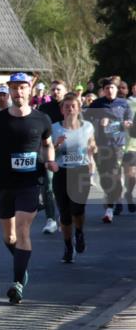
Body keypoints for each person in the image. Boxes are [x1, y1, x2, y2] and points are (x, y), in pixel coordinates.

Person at [0, 72, 56, 304]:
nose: (18, 92)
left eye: (22, 88)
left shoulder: (41, 119)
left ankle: (18, 282)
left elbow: (47, 145)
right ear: (9, 90)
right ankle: (22, 262)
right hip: (5, 185)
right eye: (14, 88)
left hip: (30, 184)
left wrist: (49, 161)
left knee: (22, 230)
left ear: (29, 90)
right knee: (9, 236)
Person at [50, 93, 96, 262]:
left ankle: (79, 232)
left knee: (78, 210)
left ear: (78, 109)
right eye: (66, 106)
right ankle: (68, 246)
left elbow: (92, 146)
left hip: (80, 171)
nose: (70, 109)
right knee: (64, 214)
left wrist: (93, 148)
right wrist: (56, 145)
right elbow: (48, 152)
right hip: (62, 173)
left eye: (73, 106)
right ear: (62, 110)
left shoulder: (88, 127)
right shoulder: (54, 128)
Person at [89, 76, 134, 223]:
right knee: (104, 176)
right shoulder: (96, 104)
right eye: (107, 88)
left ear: (116, 89)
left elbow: (129, 120)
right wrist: (98, 122)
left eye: (112, 88)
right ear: (103, 90)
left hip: (117, 145)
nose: (109, 90)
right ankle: (116, 199)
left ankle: (109, 208)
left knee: (114, 173)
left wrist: (126, 123)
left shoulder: (123, 104)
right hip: (100, 145)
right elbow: (86, 121)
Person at [37, 80, 68, 234]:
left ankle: (64, 217)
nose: (55, 92)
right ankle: (50, 219)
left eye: (59, 89)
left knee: (64, 188)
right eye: (53, 89)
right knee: (48, 185)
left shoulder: (71, 106)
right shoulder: (44, 108)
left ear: (65, 90)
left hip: (68, 152)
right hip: (49, 150)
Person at [121, 80, 136, 212]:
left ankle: (129, 193)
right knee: (128, 174)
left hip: (132, 144)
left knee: (132, 174)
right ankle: (124, 196)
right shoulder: (127, 103)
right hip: (123, 142)